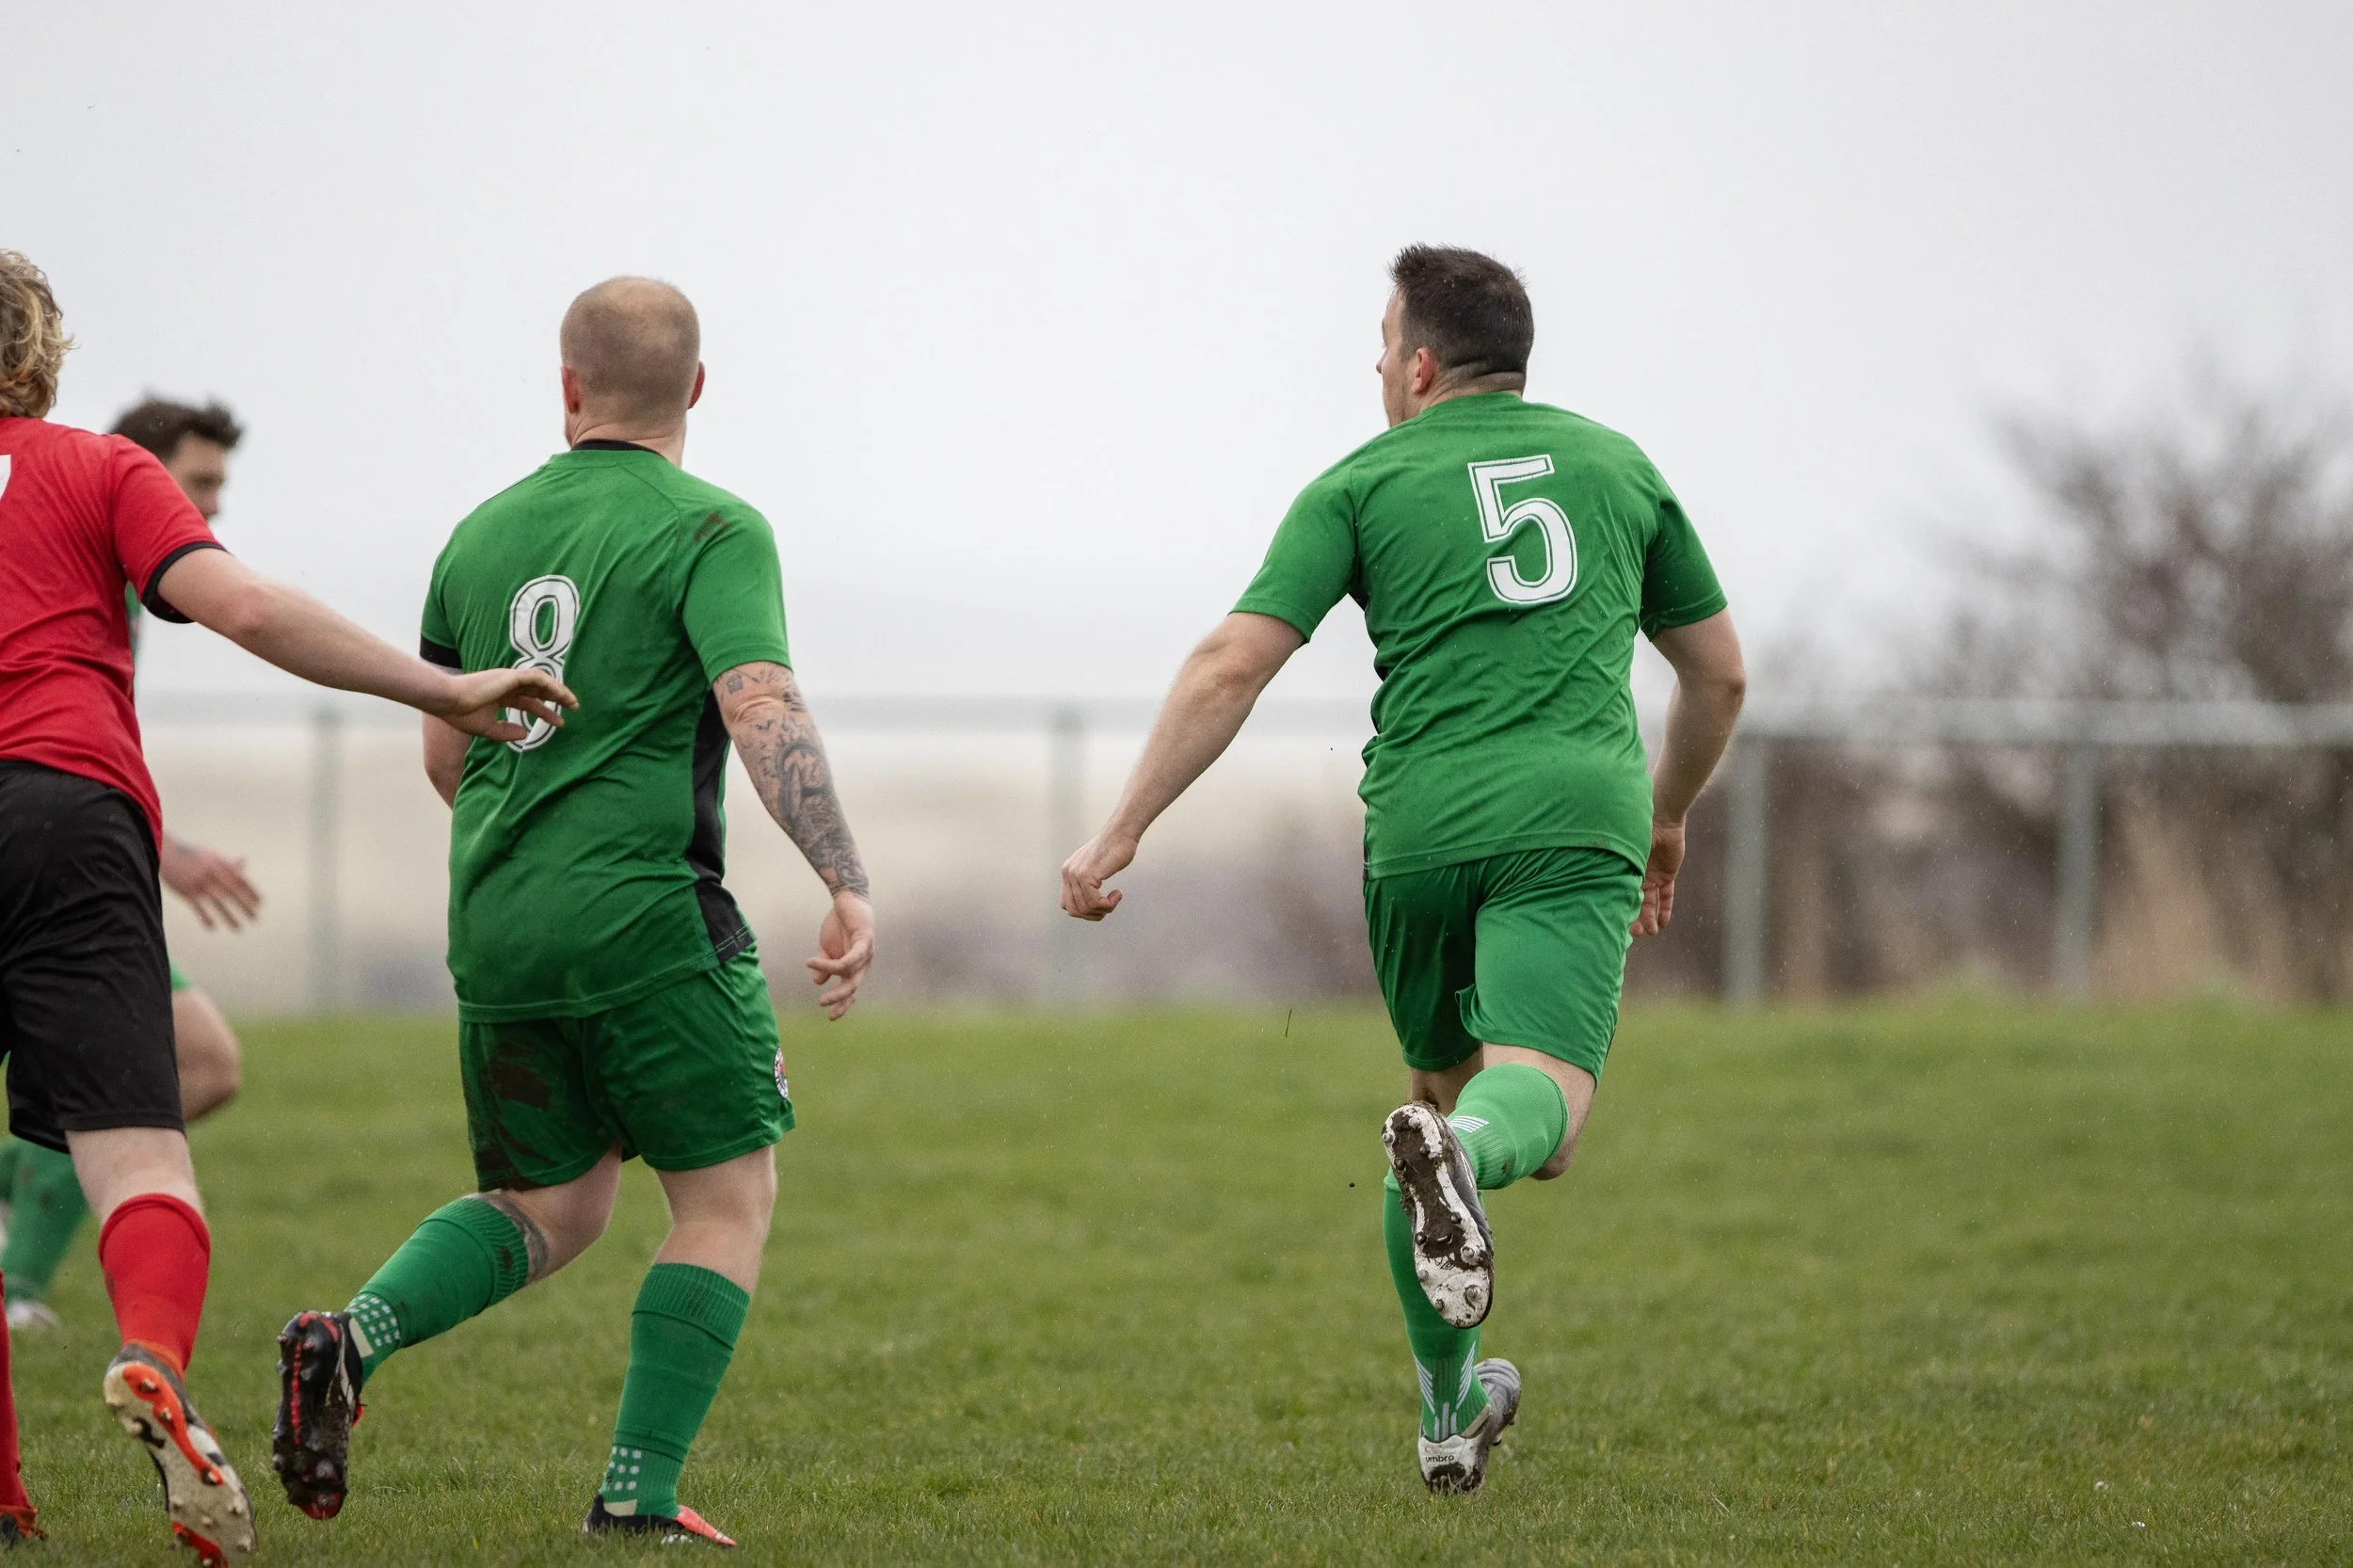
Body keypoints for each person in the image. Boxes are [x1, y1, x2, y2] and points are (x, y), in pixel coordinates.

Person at [1060, 246, 1747, 1496]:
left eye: (1383, 345)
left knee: (1432, 1104)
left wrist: (1121, 830)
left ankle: (1449, 1413)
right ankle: (1468, 1168)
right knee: (1534, 1112)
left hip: (1417, 828)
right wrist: (1667, 813)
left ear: (1421, 364)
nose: (1378, 367)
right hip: (1569, 817)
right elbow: (1720, 676)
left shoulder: (1361, 482)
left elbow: (1229, 664)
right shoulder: (1619, 466)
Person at [270, 276, 876, 1548]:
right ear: (697, 389)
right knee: (723, 1201)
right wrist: (843, 876)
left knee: (553, 1206)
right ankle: (636, 1494)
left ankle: (350, 1335)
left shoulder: (477, 537)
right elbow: (759, 702)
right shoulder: (715, 528)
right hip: (648, 920)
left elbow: (449, 753)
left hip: (494, 922)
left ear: (566, 386)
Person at [0, 249, 575, 1561]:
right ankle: (147, 1355)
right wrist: (444, 688)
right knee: (140, 1152)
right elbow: (245, 605)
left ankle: (6, 1498)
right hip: (66, 807)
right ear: (40, 358)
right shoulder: (99, 469)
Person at [0, 398, 257, 1334]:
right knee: (164, 1086)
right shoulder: (87, 527)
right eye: (198, 484)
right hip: (62, 849)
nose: (211, 510)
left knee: (198, 1063)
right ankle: (21, 1282)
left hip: (70, 836)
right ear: (141, 468)